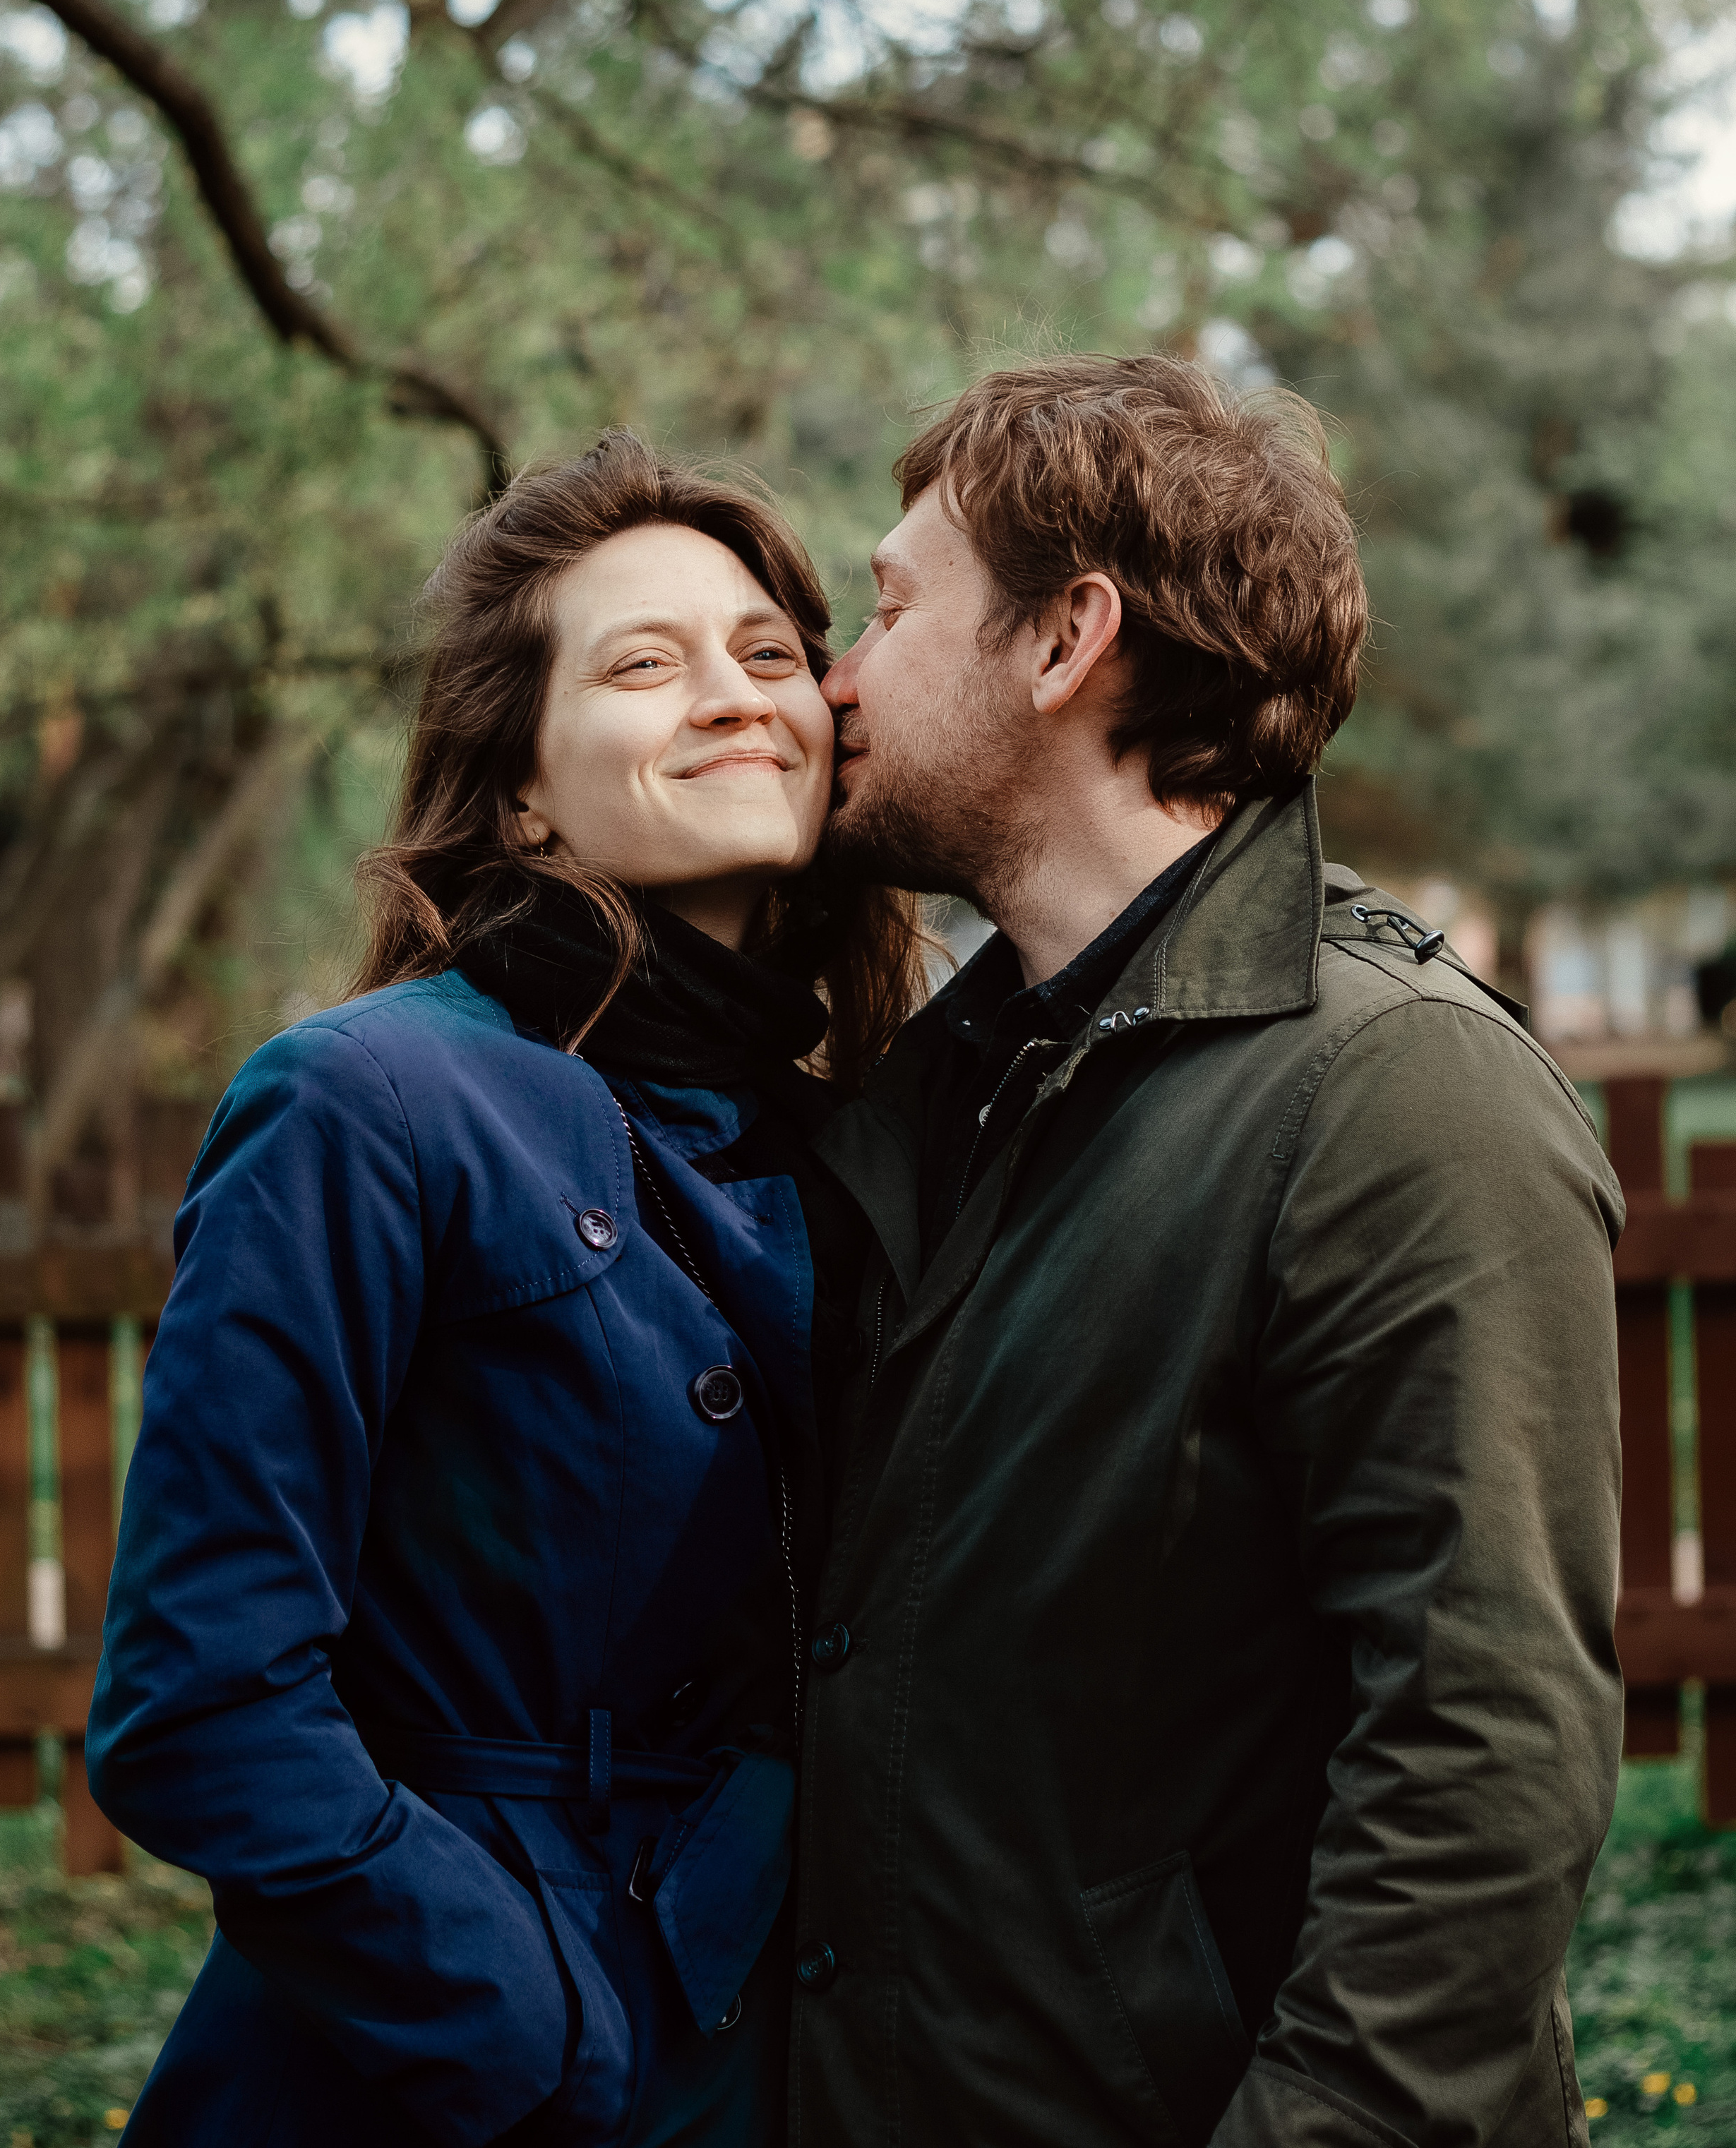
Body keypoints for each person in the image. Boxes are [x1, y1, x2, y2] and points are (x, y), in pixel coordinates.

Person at [789, 355, 1624, 2147]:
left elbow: (1482, 1761)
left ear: (1061, 636)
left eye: (885, 604)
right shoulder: (939, 1089)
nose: (836, 677)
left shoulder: (1396, 1093)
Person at [87, 433, 926, 2147]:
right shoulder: (367, 1098)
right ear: (522, 786)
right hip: (443, 2069)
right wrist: (525, 2017)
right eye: (642, 661)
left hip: (775, 2038)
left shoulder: (862, 1142)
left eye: (767, 652)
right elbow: (199, 1696)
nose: (732, 693)